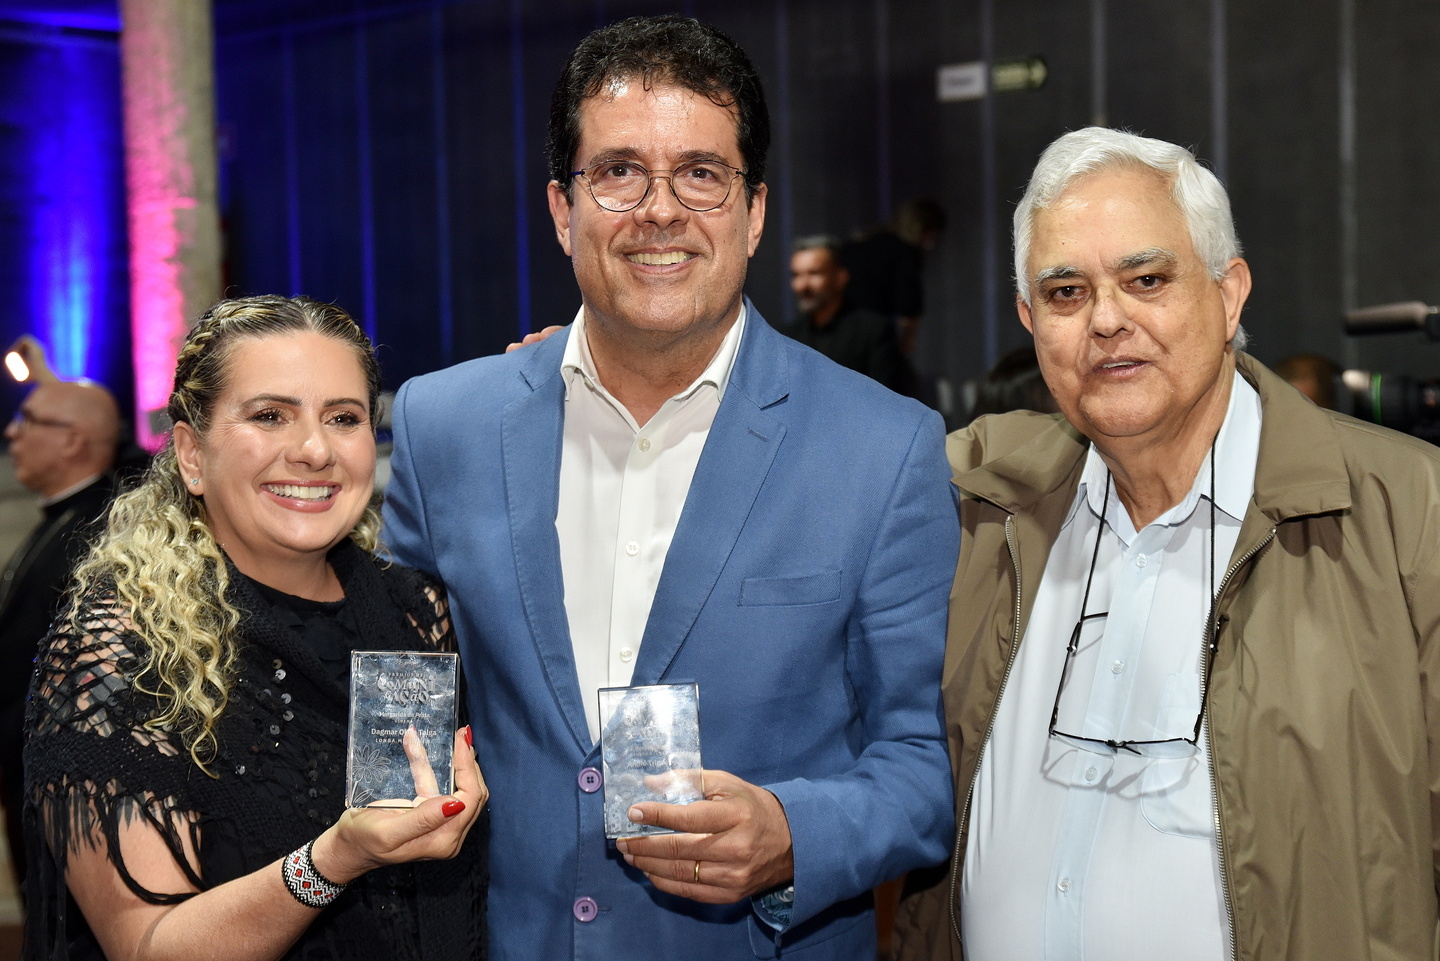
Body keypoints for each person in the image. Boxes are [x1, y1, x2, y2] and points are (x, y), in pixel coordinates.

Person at [383, 15, 958, 961]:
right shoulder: (444, 427)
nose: (660, 210)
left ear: (754, 212)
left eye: (701, 173)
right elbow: (402, 715)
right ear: (563, 210)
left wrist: (791, 833)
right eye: (619, 172)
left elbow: (920, 768)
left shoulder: (883, 447)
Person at [893, 126, 1440, 961]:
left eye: (1146, 279)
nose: (1107, 320)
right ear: (1030, 321)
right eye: (1066, 292)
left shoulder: (1410, 513)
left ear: (1230, 294)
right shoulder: (976, 504)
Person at [23, 296, 488, 961]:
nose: (315, 450)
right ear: (191, 453)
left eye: (343, 418)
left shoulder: (414, 610)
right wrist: (334, 858)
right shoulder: (125, 645)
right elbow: (147, 947)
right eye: (270, 415)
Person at [0, 379, 121, 887]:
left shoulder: (100, 529)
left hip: (68, 782)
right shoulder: (60, 517)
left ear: (72, 440)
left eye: (28, 420)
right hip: (24, 768)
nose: (12, 433)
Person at [782, 235, 910, 394]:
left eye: (814, 273)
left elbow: (885, 396)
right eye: (796, 275)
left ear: (840, 277)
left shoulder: (873, 331)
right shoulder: (788, 337)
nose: (803, 285)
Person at [842, 198, 947, 356]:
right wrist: (907, 339)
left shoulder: (858, 243)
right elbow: (908, 303)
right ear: (922, 230)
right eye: (931, 237)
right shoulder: (906, 253)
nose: (930, 245)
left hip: (839, 329)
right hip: (873, 335)